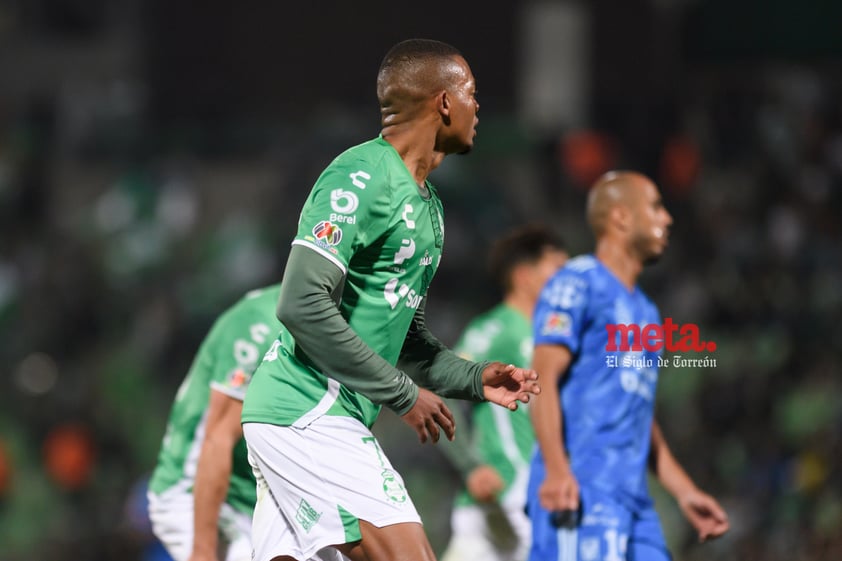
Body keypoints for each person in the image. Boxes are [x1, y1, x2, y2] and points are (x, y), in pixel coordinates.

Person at [240, 38, 540, 561]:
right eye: (470, 92)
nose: (477, 106)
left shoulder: (429, 209)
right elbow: (301, 302)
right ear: (444, 102)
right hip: (309, 408)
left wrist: (474, 378)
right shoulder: (360, 176)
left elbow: (407, 341)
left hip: (306, 416)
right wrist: (402, 395)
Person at [526, 171, 729, 561]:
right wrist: (555, 468)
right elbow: (543, 378)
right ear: (621, 217)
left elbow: (638, 413)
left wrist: (685, 492)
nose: (667, 218)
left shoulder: (647, 313)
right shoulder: (577, 282)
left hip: (635, 503)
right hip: (581, 487)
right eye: (655, 207)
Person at [438, 224, 567, 561]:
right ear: (524, 276)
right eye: (557, 270)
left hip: (537, 498)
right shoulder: (499, 328)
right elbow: (443, 386)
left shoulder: (551, 339)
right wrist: (471, 465)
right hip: (501, 496)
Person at [148, 284, 281, 561]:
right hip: (191, 486)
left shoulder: (351, 322)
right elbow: (217, 439)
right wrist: (203, 551)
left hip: (253, 498)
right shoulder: (260, 321)